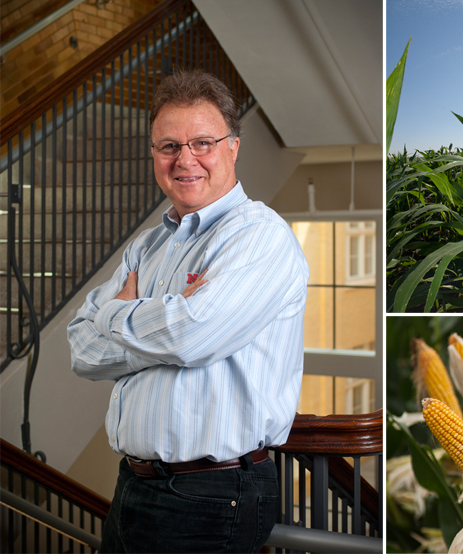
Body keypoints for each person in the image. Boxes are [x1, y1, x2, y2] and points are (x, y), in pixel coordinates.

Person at [68, 70, 309, 553]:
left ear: (234, 146)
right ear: (154, 154)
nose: (185, 160)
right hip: (133, 485)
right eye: (168, 146)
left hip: (213, 494)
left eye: (203, 142)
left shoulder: (258, 236)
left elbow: (188, 337)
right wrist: (163, 328)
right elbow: (81, 349)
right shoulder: (148, 244)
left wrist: (117, 315)